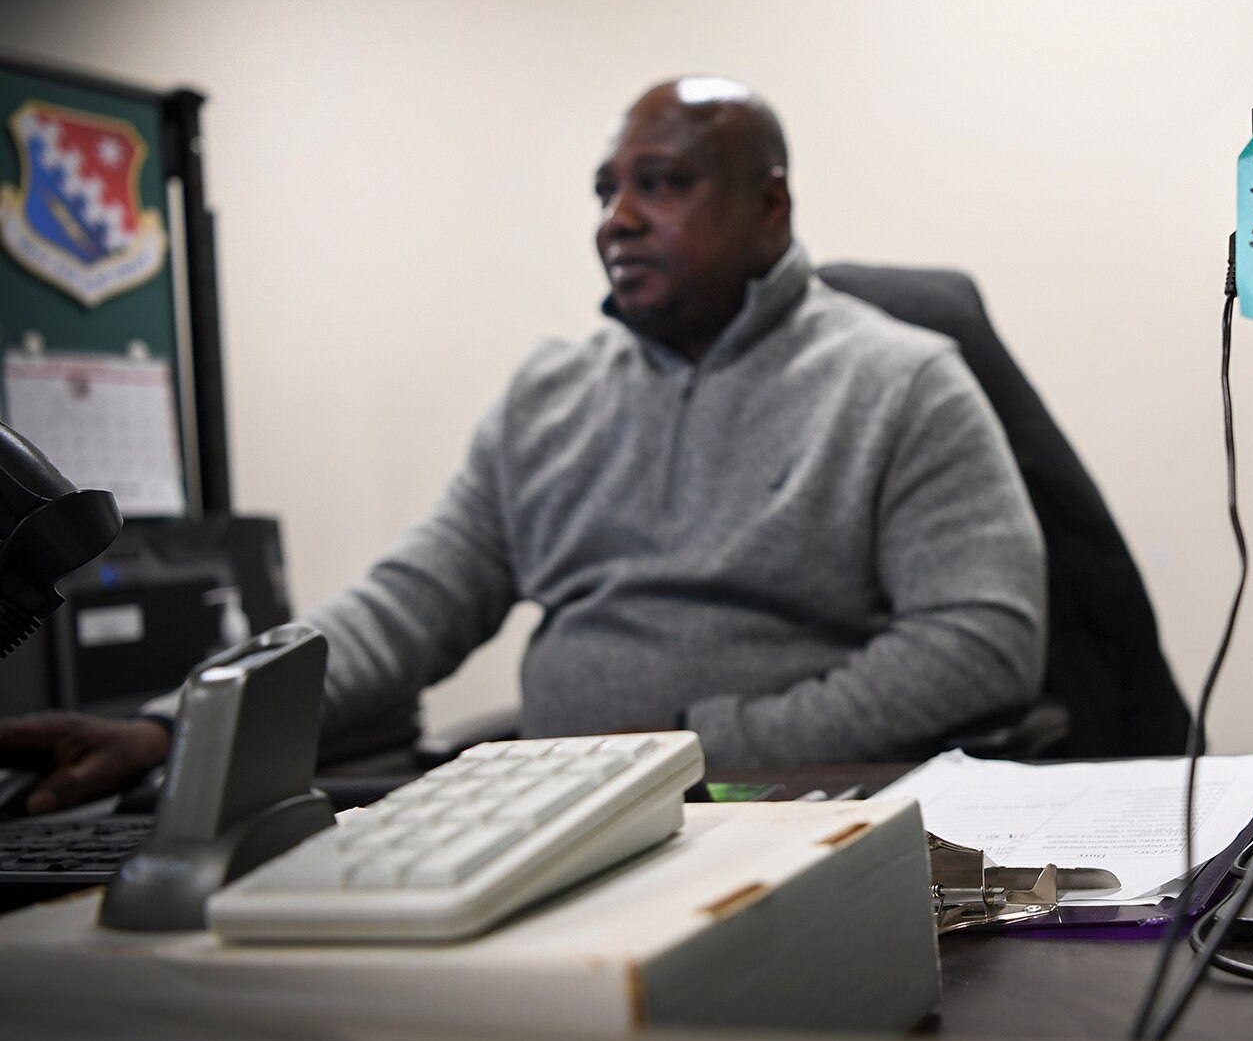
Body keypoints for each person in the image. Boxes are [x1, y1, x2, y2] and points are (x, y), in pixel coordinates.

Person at [0, 77, 1048, 813]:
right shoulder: (548, 394)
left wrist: (700, 743)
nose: (617, 219)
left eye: (664, 183)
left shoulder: (899, 379)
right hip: (561, 807)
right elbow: (405, 608)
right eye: (605, 190)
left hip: (786, 809)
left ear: (769, 208)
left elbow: (979, 641)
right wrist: (174, 726)